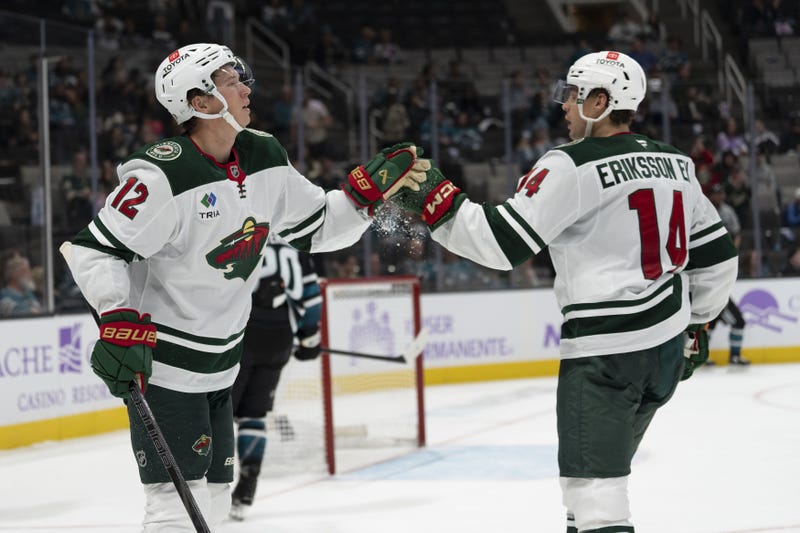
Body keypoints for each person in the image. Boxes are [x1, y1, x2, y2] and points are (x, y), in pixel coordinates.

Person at [58, 42, 428, 532]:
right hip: (167, 370)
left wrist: (362, 199)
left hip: (222, 366)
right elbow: (92, 249)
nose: (246, 87)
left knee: (214, 501)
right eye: (231, 80)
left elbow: (315, 226)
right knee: (174, 509)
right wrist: (117, 315)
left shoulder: (264, 153)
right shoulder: (161, 174)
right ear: (201, 101)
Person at [394, 51, 738, 532]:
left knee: (596, 499)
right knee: (591, 494)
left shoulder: (571, 164)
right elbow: (718, 258)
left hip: (606, 355)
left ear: (601, 100)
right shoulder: (676, 164)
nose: (564, 106)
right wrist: (697, 325)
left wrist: (433, 196)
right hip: (662, 354)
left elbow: (501, 243)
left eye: (573, 96)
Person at [230, 232, 322, 520]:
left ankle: (209, 488)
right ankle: (246, 490)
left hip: (245, 335)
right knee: (254, 415)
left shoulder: (242, 234)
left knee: (218, 413)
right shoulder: (296, 243)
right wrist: (310, 337)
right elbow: (311, 294)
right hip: (280, 338)